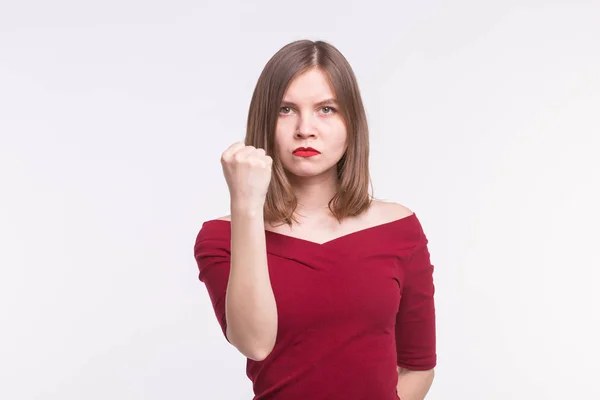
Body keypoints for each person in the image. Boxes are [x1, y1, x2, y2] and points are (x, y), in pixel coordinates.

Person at [193, 39, 436, 400]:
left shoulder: (399, 229)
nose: (305, 128)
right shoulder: (220, 237)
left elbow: (418, 366)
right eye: (285, 109)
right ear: (264, 122)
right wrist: (246, 204)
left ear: (351, 122)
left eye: (326, 109)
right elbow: (255, 343)